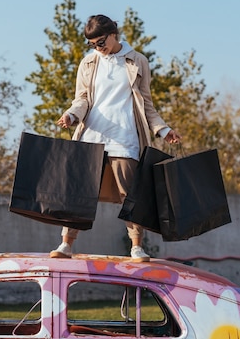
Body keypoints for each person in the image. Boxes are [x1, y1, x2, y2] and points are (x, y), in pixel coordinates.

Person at [50, 14, 181, 262]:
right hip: (92, 135)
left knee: (129, 194)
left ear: (113, 34)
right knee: (80, 191)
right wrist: (71, 115)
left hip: (125, 136)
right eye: (92, 44)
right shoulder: (88, 63)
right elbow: (83, 99)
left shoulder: (137, 61)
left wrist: (163, 130)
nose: (98, 48)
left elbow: (146, 104)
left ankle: (136, 247)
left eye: (101, 42)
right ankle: (66, 244)